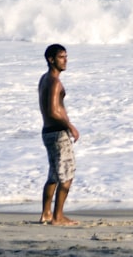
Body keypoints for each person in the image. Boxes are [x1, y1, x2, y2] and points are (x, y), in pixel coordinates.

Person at [38, 43, 80, 226]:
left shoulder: (44, 79)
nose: (66, 60)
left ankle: (46, 214)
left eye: (66, 56)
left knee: (54, 175)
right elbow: (54, 111)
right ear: (51, 59)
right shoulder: (55, 82)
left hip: (48, 132)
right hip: (57, 133)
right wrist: (70, 126)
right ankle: (58, 217)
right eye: (62, 57)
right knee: (67, 176)